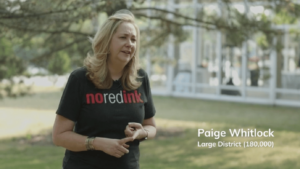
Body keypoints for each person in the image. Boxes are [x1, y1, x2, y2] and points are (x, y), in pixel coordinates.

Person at [52, 9, 156, 169]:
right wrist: (97, 143)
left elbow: (151, 126)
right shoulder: (81, 79)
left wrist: (143, 133)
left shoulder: (140, 78)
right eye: (123, 37)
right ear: (107, 40)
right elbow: (59, 136)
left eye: (134, 39)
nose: (129, 44)